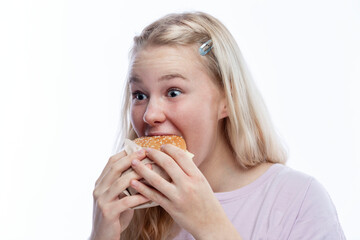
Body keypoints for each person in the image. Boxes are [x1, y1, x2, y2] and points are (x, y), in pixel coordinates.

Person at [90, 12, 345, 240]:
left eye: (174, 91)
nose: (150, 115)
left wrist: (210, 228)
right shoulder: (132, 211)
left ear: (226, 100)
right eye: (140, 95)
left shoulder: (297, 199)